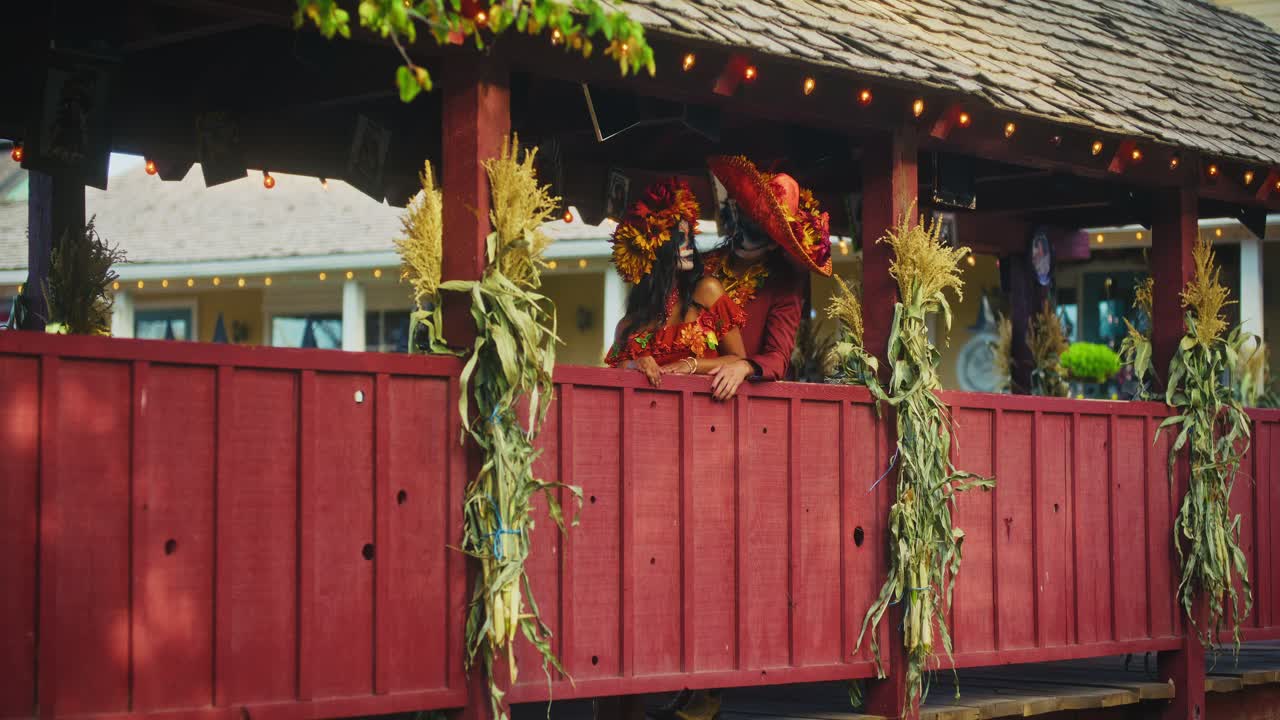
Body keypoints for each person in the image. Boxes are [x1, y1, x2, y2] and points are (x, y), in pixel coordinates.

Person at [695, 155, 834, 401]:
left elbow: (777, 356)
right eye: (747, 216)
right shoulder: (703, 265)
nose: (743, 232)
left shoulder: (783, 285)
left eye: (759, 227)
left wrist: (744, 366)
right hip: (683, 385)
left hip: (733, 399)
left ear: (774, 243)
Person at [605, 178, 748, 385]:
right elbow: (615, 383)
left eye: (689, 234)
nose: (688, 242)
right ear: (654, 243)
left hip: (708, 412)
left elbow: (739, 360)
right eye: (679, 235)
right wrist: (636, 364)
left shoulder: (707, 291)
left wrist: (691, 364)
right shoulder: (627, 327)